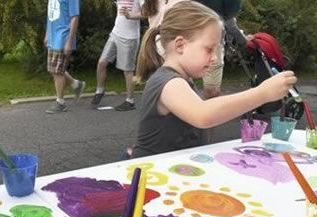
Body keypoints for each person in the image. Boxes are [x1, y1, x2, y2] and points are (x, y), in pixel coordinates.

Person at [131, 1, 296, 158]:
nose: (215, 59)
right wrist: (262, 93)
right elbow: (203, 114)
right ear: (180, 45)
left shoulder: (180, 80)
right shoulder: (168, 82)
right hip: (150, 176)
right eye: (209, 49)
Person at [91, 0, 143, 111]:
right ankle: (100, 90)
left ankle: (130, 101)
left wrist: (130, 16)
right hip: (115, 33)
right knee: (101, 63)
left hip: (130, 37)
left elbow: (147, 12)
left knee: (128, 70)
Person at [44, 0, 86, 114]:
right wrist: (47, 33)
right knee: (54, 69)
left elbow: (75, 18)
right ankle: (76, 84)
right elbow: (51, 14)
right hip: (53, 36)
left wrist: (69, 41)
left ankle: (60, 102)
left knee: (57, 71)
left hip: (63, 36)